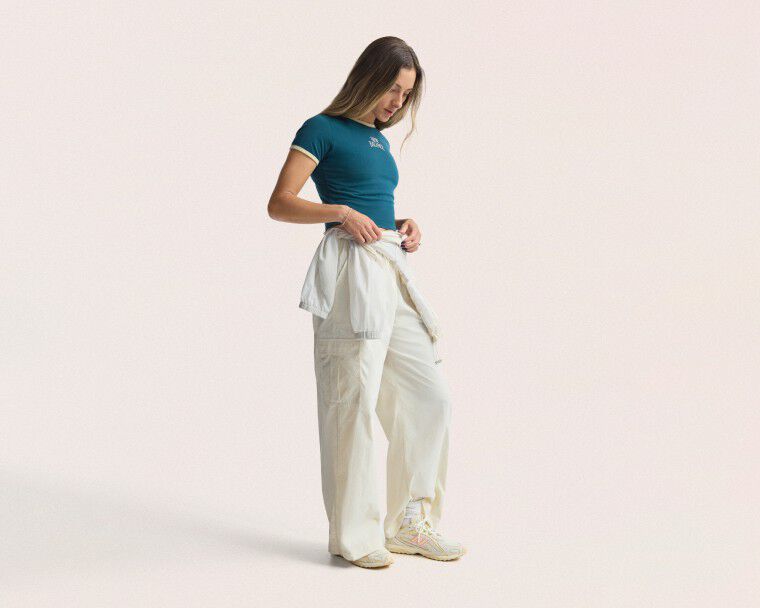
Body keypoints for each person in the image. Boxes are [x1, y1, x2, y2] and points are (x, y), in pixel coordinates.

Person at [267, 36, 466, 569]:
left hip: (388, 263)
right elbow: (280, 203)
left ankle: (410, 524)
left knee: (429, 395)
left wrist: (400, 222)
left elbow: (373, 202)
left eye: (407, 94)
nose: (398, 103)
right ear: (369, 78)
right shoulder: (320, 128)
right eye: (393, 89)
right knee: (351, 399)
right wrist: (339, 212)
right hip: (350, 272)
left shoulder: (379, 141)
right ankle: (354, 536)